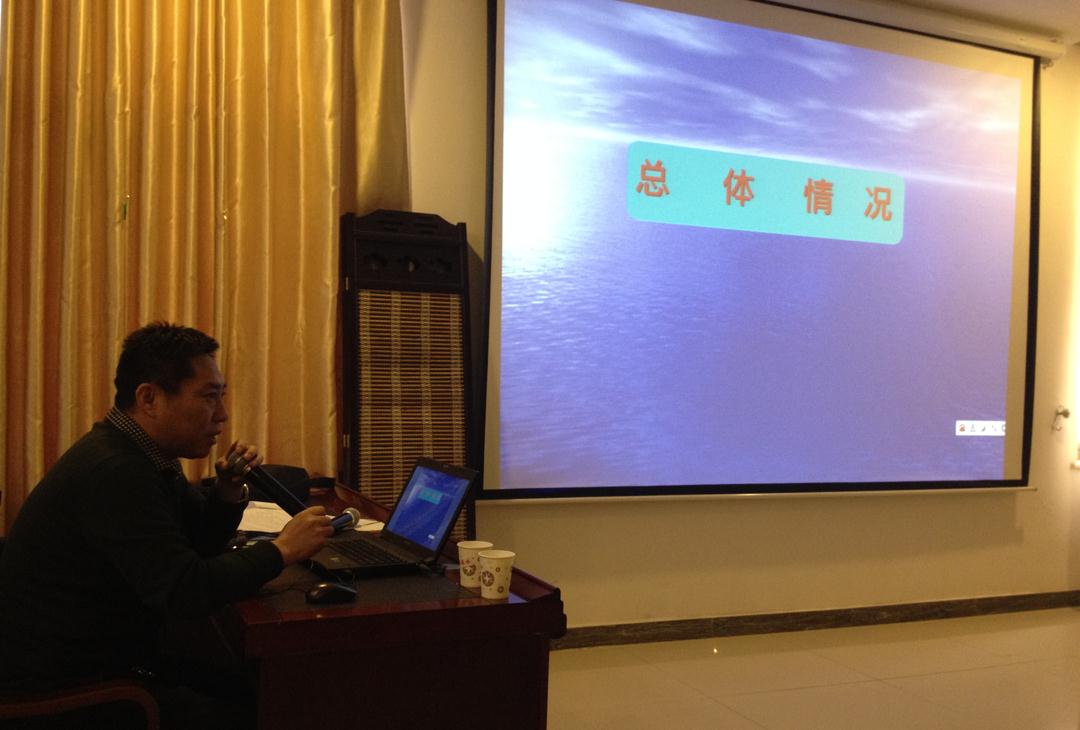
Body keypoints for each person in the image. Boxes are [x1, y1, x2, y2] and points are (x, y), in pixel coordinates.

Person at [0, 322, 334, 729]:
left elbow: (196, 544)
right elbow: (185, 590)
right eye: (209, 397)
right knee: (260, 704)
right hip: (65, 688)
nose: (222, 415)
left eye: (222, 396)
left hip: (103, 657)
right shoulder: (116, 471)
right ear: (149, 398)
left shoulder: (141, 453)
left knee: (253, 685)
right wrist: (282, 550)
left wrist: (228, 491)